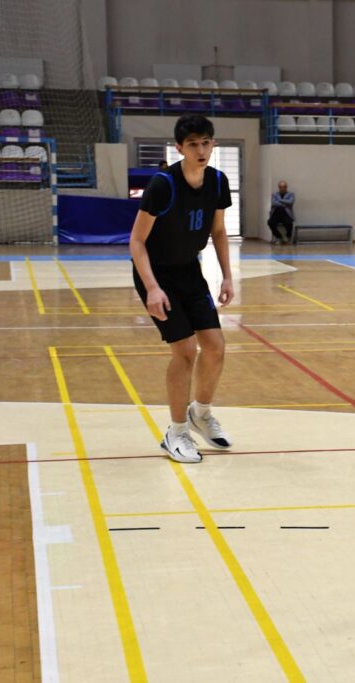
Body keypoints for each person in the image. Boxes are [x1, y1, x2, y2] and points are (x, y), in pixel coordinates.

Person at [129, 114, 234, 464]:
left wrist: (228, 276)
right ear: (179, 148)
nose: (201, 149)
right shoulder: (163, 185)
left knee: (216, 347)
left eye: (206, 142)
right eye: (193, 144)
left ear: (213, 144)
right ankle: (175, 433)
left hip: (190, 271)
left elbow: (218, 232)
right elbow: (137, 241)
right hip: (157, 275)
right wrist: (152, 288)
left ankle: (200, 414)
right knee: (186, 351)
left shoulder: (218, 182)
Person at [268, 180, 295, 245]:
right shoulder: (274, 194)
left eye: (284, 187)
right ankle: (279, 237)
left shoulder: (291, 194)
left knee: (289, 223)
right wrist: (285, 203)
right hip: (276, 213)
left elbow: (290, 202)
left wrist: (279, 200)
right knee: (270, 223)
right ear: (279, 187)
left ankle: (288, 237)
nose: (282, 188)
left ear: (286, 187)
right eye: (281, 187)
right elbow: (274, 203)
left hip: (286, 213)